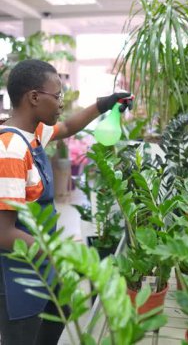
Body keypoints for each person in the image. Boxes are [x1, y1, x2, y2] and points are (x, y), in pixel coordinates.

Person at [0, 59, 132, 345]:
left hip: (42, 263)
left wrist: (105, 104)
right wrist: (63, 253)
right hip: (18, 274)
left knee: (58, 317)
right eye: (57, 95)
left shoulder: (32, 133)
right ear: (34, 97)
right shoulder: (10, 151)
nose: (61, 103)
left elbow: (69, 126)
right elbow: (3, 232)